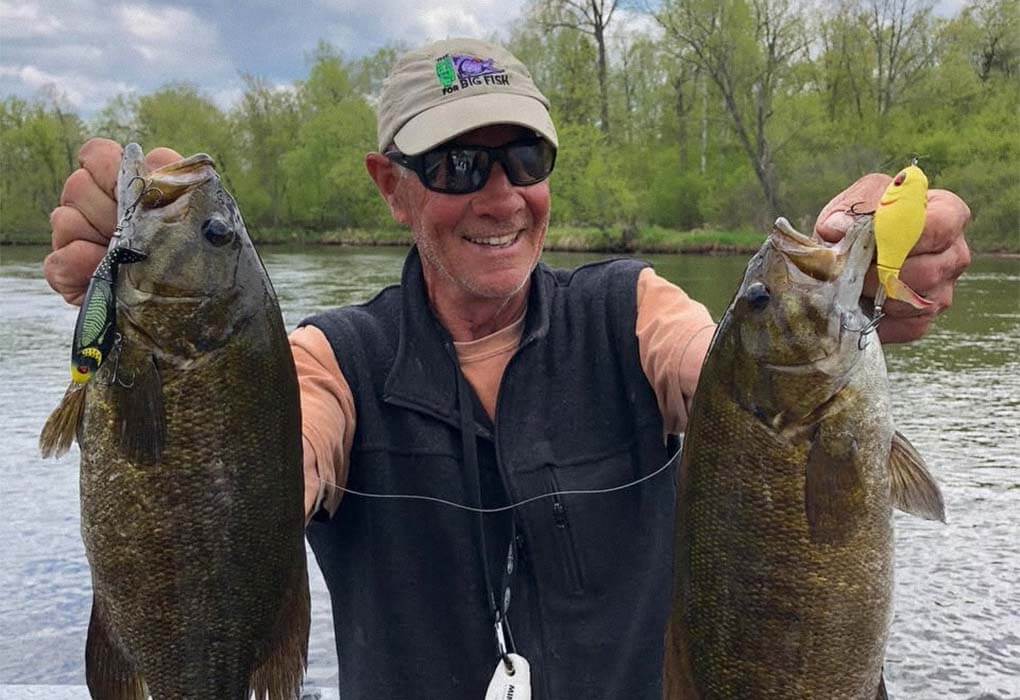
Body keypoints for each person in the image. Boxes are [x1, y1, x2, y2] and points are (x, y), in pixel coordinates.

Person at [45, 37, 971, 700]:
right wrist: (163, 371)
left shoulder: (633, 308)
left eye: (524, 158)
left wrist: (852, 300)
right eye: (456, 164)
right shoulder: (331, 358)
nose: (500, 195)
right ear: (390, 185)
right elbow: (280, 450)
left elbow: (724, 379)